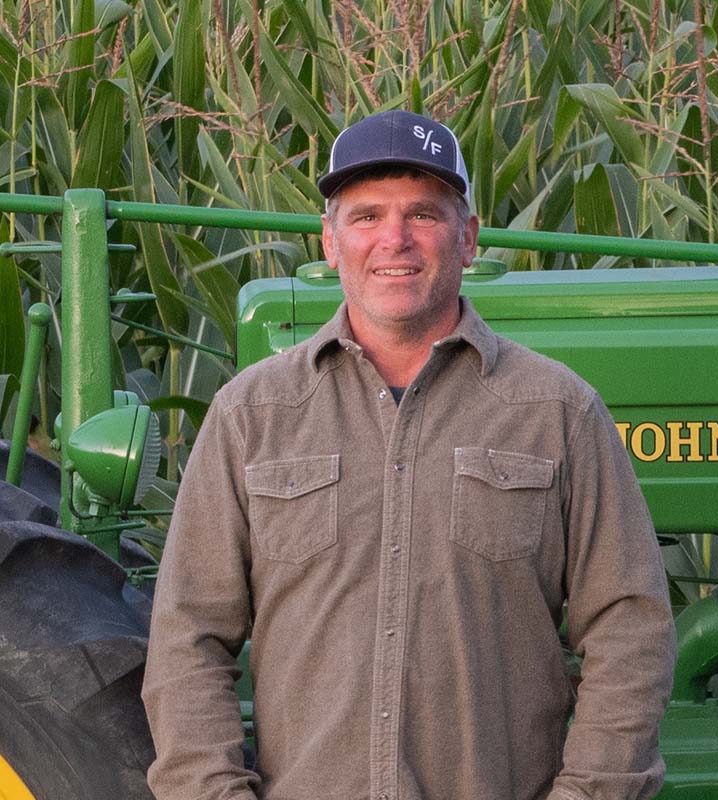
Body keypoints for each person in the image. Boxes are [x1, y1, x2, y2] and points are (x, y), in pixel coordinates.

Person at [142, 110, 676, 800]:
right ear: (330, 244)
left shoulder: (557, 412)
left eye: (422, 214)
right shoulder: (253, 416)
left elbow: (630, 627)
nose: (393, 240)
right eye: (366, 217)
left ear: (468, 237)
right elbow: (187, 637)